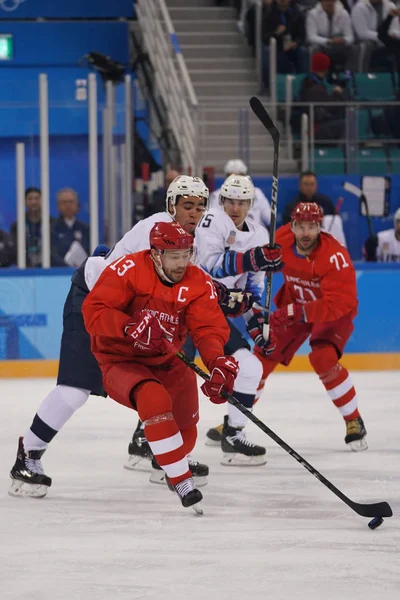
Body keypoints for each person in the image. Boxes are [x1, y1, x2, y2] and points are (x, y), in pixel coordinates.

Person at [7, 176, 248, 498]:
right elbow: (118, 282)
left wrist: (221, 294)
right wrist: (128, 325)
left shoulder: (198, 237)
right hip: (97, 300)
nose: (193, 213)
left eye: (199, 206)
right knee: (76, 387)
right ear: (170, 205)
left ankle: (152, 448)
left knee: (166, 375)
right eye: (186, 206)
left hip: (141, 311)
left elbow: (194, 280)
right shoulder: (152, 228)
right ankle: (29, 455)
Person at [196, 175, 283, 465]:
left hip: (215, 315)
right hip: (186, 308)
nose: (235, 207)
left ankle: (233, 434)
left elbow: (251, 290)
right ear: (221, 201)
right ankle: (144, 438)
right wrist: (253, 259)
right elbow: (211, 266)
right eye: (230, 201)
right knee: (169, 376)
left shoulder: (259, 235)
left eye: (242, 202)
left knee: (250, 367)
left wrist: (258, 327)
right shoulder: (211, 220)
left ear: (250, 204)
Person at [283, 171, 346, 250]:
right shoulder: (292, 207)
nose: (309, 187)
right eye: (306, 184)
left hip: (326, 245)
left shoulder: (325, 202)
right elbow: (288, 230)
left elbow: (335, 224)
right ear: (300, 186)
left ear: (316, 186)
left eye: (312, 184)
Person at [208, 159, 272, 229]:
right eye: (232, 178)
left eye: (239, 177)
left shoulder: (257, 193)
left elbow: (269, 219)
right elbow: (212, 221)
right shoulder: (216, 195)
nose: (236, 182)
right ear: (226, 178)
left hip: (254, 235)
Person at [262, 0, 308, 88]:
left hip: (293, 46)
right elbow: (264, 38)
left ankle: (303, 86)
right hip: (276, 46)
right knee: (267, 51)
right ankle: (267, 86)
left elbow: (302, 36)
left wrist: (296, 43)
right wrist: (276, 33)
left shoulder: (297, 13)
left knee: (303, 52)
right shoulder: (269, 13)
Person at [10, 187, 55, 268]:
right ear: (25, 202)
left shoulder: (52, 223)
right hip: (25, 269)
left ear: (42, 200)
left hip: (49, 268)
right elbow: (14, 249)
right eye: (30, 199)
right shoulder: (17, 225)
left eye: (36, 198)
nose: (33, 202)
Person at [306, 0, 355, 72]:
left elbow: (350, 37)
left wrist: (344, 40)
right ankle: (315, 77)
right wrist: (328, 41)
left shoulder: (344, 13)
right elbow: (311, 37)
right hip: (322, 45)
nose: (330, 3)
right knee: (314, 48)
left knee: (353, 48)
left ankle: (349, 76)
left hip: (339, 46)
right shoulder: (313, 14)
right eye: (327, 1)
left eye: (332, 1)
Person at [51, 188, 90, 267]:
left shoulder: (85, 228)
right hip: (58, 272)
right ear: (58, 206)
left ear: (77, 205)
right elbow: (52, 254)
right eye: (64, 202)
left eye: (71, 202)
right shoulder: (52, 228)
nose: (68, 205)